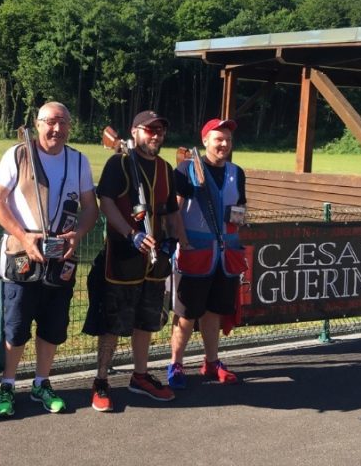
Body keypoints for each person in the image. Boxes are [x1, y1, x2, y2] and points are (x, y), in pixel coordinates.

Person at [0, 101, 99, 418]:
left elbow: (91, 207)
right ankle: (7, 385)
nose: (57, 129)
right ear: (37, 124)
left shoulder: (79, 161)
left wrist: (77, 235)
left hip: (61, 257)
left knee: (52, 327)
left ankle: (41, 383)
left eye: (63, 122)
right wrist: (23, 237)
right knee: (16, 327)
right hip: (22, 256)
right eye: (50, 121)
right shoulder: (17, 155)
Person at [83, 110, 187, 412]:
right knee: (112, 324)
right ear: (135, 131)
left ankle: (140, 376)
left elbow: (170, 212)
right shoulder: (120, 163)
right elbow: (106, 203)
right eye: (150, 129)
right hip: (122, 259)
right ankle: (101, 380)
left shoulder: (167, 170)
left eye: (160, 130)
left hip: (155, 262)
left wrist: (177, 242)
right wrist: (131, 234)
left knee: (147, 321)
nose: (156, 135)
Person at [167, 118, 247, 390]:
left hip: (225, 256)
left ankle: (211, 362)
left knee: (213, 313)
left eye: (228, 139)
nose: (224, 144)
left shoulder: (237, 172)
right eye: (218, 139)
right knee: (186, 315)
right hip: (195, 254)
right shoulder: (187, 169)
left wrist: (239, 221)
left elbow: (241, 209)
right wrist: (183, 241)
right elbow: (174, 210)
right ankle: (176, 363)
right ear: (205, 142)